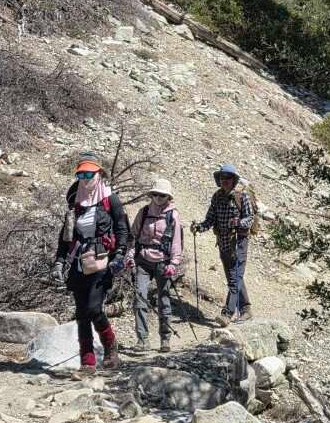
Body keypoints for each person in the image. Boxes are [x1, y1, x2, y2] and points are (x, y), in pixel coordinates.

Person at [53, 153, 128, 373]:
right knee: (81, 313)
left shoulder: (110, 199)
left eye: (89, 174)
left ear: (99, 174)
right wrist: (59, 261)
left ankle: (110, 347)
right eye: (81, 174)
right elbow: (66, 235)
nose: (85, 179)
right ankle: (87, 362)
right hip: (79, 262)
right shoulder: (74, 200)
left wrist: (120, 254)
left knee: (94, 309)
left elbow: (122, 228)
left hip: (102, 261)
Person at [125, 177, 183, 353]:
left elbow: (176, 242)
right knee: (140, 298)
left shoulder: (173, 215)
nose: (158, 198)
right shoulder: (143, 212)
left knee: (163, 300)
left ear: (168, 197)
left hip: (163, 263)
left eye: (162, 195)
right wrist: (129, 255)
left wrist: (174, 263)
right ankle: (142, 340)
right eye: (155, 194)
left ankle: (165, 339)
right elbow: (133, 236)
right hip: (142, 260)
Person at [190, 164, 253, 326]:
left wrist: (238, 222)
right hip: (224, 243)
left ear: (234, 180)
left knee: (235, 278)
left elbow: (250, 219)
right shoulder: (217, 197)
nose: (225, 180)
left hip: (239, 242)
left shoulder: (242, 196)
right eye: (222, 177)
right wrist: (199, 227)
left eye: (228, 178)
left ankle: (227, 314)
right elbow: (210, 219)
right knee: (234, 277)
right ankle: (246, 309)